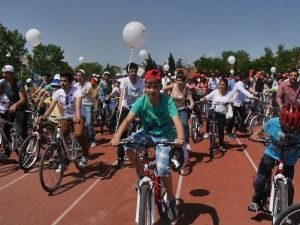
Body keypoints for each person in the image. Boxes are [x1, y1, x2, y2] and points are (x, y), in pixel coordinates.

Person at [111, 69, 184, 221]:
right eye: (149, 86)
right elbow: (127, 120)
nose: (152, 90)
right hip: (148, 133)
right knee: (128, 147)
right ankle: (141, 176)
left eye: (156, 86)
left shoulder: (167, 101)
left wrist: (180, 137)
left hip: (165, 136)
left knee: (162, 169)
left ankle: (170, 199)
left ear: (160, 87)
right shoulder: (141, 101)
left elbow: (177, 121)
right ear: (144, 86)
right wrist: (117, 135)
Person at [248, 102, 300, 212]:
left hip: (289, 159)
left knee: (289, 188)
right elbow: (262, 128)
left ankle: (287, 213)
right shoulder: (274, 122)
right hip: (272, 153)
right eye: (286, 127)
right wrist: (255, 134)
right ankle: (256, 200)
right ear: (281, 120)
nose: (290, 130)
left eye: (294, 129)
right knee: (260, 181)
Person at [40, 73, 89, 168]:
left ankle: (85, 154)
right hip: (65, 117)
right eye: (61, 81)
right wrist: (44, 116)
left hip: (77, 115)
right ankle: (65, 159)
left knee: (78, 134)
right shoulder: (58, 92)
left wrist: (78, 116)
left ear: (70, 82)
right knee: (62, 138)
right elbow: (51, 107)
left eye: (65, 81)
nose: (62, 83)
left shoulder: (77, 91)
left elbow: (78, 105)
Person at [117, 62, 144, 168]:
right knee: (122, 130)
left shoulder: (141, 81)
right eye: (130, 72)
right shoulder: (124, 81)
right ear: (128, 72)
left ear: (137, 72)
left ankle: (142, 147)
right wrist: (120, 106)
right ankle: (120, 156)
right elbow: (122, 94)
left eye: (134, 71)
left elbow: (143, 94)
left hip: (137, 106)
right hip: (126, 106)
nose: (132, 73)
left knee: (145, 125)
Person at [0, 65, 28, 160]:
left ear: (12, 74)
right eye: (3, 73)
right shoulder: (3, 83)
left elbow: (23, 99)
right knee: (5, 129)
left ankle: (25, 151)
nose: (4, 75)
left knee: (22, 131)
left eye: (6, 73)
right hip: (11, 108)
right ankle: (8, 149)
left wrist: (15, 105)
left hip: (22, 108)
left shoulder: (19, 83)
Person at [200, 79, 231, 151]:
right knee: (209, 117)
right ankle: (207, 132)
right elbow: (207, 97)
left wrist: (231, 102)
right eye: (220, 84)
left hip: (222, 113)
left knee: (221, 129)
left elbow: (232, 99)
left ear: (226, 86)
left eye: (223, 85)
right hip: (214, 110)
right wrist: (203, 98)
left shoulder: (229, 93)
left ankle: (221, 144)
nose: (222, 86)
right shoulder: (215, 92)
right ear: (218, 85)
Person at [164, 70, 194, 144]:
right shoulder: (173, 86)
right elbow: (164, 89)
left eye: (181, 81)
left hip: (182, 109)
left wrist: (191, 105)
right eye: (177, 81)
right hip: (171, 109)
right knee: (167, 125)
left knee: (184, 124)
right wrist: (166, 97)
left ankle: (186, 142)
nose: (179, 82)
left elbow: (191, 101)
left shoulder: (186, 89)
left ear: (184, 81)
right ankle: (168, 141)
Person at [226, 73, 256, 139]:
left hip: (240, 103)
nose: (248, 79)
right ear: (243, 79)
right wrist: (252, 96)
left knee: (245, 116)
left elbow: (247, 91)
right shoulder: (239, 84)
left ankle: (240, 127)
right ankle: (229, 132)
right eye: (247, 78)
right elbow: (244, 91)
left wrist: (254, 95)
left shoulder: (244, 85)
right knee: (232, 118)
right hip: (234, 103)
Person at [74, 69, 96, 148]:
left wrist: (82, 95)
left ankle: (92, 140)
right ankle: (79, 140)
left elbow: (88, 90)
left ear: (84, 76)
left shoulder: (88, 84)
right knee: (78, 123)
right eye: (77, 76)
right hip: (79, 106)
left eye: (80, 76)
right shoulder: (75, 85)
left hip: (87, 105)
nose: (78, 77)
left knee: (89, 122)